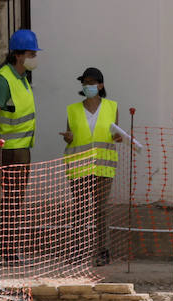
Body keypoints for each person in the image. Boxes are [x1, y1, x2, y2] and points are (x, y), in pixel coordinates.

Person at [62, 67, 124, 267]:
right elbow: (70, 135)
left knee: (100, 210)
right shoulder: (73, 110)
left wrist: (118, 137)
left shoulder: (111, 107)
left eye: (91, 82)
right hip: (79, 166)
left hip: (104, 166)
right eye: (85, 83)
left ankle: (102, 251)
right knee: (80, 209)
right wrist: (69, 137)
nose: (88, 86)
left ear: (100, 85)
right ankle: (78, 251)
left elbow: (115, 134)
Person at [0, 29, 39, 265]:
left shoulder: (22, 78)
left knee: (16, 201)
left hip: (22, 149)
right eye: (31, 53)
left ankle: (9, 247)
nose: (35, 57)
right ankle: (4, 249)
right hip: (8, 150)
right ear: (19, 55)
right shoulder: (3, 79)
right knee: (9, 201)